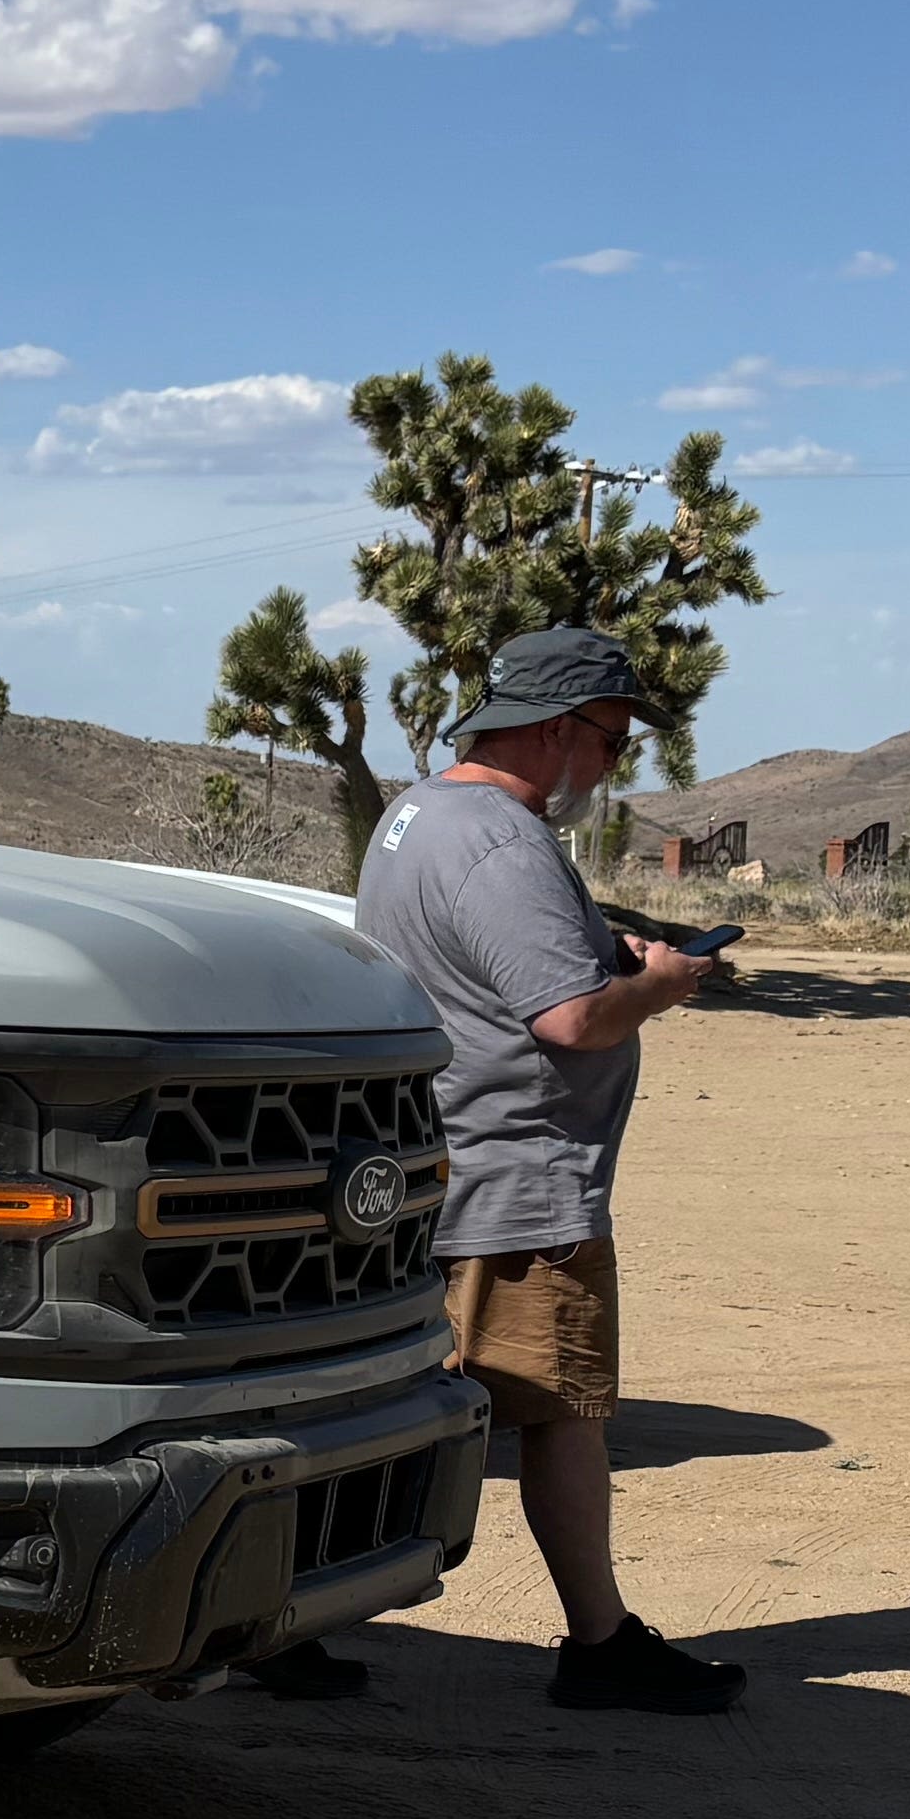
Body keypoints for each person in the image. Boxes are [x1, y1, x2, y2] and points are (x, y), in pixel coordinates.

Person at [327, 621, 746, 1712]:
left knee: (374, 1404)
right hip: (518, 1179)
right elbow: (570, 1021)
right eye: (611, 742)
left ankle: (285, 1625)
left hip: (430, 1162)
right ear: (557, 730)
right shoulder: (506, 845)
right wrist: (660, 982)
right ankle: (600, 1644)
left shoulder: (415, 814)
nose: (614, 766)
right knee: (564, 1408)